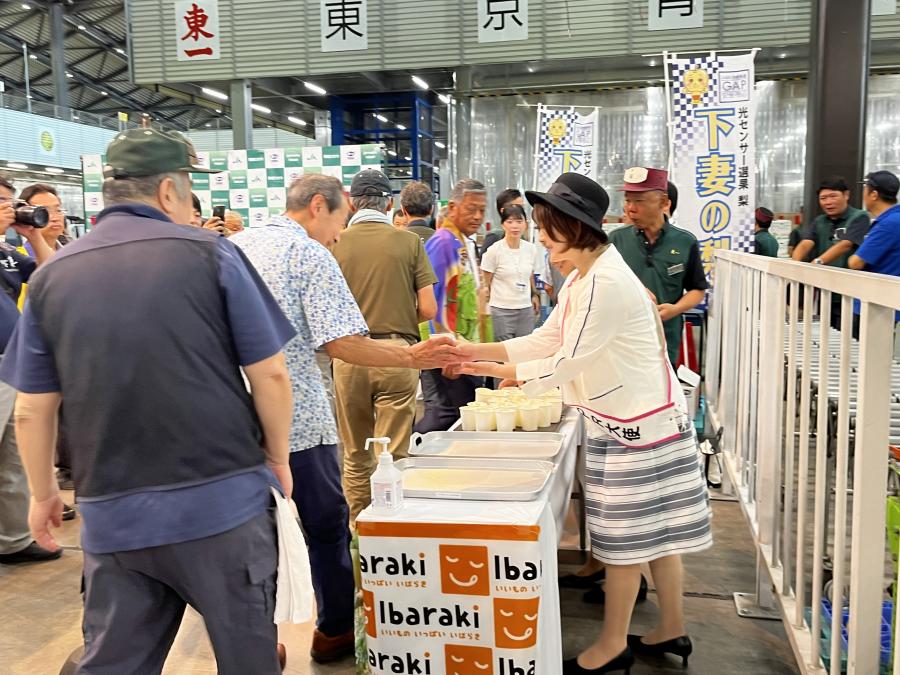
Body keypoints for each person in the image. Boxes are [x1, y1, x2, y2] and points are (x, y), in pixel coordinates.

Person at [0, 128, 297, 673]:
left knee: (117, 662)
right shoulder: (213, 255)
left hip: (113, 517)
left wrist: (43, 495)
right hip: (222, 506)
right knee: (249, 658)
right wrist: (277, 457)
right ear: (167, 191)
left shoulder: (52, 276)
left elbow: (31, 408)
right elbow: (272, 374)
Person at [450, 173, 711, 674]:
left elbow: (565, 362)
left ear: (575, 227)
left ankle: (612, 646)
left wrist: (498, 372)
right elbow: (546, 340)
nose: (542, 240)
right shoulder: (585, 276)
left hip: (637, 427)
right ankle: (671, 626)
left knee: (625, 542)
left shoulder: (605, 282)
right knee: (656, 535)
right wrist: (474, 354)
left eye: (547, 228)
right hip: (640, 418)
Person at [231, 174, 454, 661]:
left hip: (233, 419)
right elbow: (343, 344)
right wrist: (411, 356)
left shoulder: (235, 246)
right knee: (326, 524)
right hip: (298, 420)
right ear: (318, 206)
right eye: (338, 220)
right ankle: (333, 630)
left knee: (248, 536)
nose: (339, 234)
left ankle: (257, 642)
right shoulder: (307, 253)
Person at [331, 169, 438, 522]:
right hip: (398, 356)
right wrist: (400, 320)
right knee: (394, 455)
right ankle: (392, 530)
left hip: (348, 356)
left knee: (355, 455)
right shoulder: (409, 242)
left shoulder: (334, 243)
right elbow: (428, 308)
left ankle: (358, 532)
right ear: (390, 204)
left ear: (351, 203)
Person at [0, 173, 57, 565]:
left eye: (9, 200)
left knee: (14, 457)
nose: (9, 207)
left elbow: (52, 278)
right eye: (1, 201)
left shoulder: (6, 250)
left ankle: (13, 539)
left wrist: (34, 236)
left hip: (10, 362)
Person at [609, 169, 708, 365]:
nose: (630, 209)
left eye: (639, 201)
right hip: (621, 341)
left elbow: (697, 289)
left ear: (663, 202)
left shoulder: (684, 242)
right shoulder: (615, 240)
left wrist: (675, 309)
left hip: (664, 341)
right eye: (628, 200)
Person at [415, 178, 487, 433]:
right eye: (471, 209)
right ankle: (406, 451)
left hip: (465, 348)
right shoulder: (443, 242)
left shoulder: (463, 242)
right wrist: (446, 353)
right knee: (445, 417)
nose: (477, 216)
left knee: (459, 418)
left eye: (482, 210)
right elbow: (434, 300)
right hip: (449, 354)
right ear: (453, 207)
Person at [480, 204, 541, 341]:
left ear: (525, 224)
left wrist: (534, 294)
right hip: (501, 310)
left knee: (524, 349)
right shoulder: (494, 251)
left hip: (525, 309)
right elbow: (485, 282)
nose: (515, 226)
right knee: (504, 350)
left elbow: (530, 274)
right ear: (503, 225)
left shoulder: (531, 249)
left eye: (519, 221)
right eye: (510, 221)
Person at [792, 177, 870, 267]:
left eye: (833, 196)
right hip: (822, 273)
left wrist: (817, 263)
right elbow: (806, 243)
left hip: (848, 274)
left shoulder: (860, 216)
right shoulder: (819, 221)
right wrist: (794, 265)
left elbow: (846, 244)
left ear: (846, 195)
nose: (828, 202)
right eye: (823, 198)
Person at [482, 188, 524, 254]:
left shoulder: (521, 236)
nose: (520, 211)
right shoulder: (494, 236)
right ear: (503, 211)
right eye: (517, 207)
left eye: (522, 207)